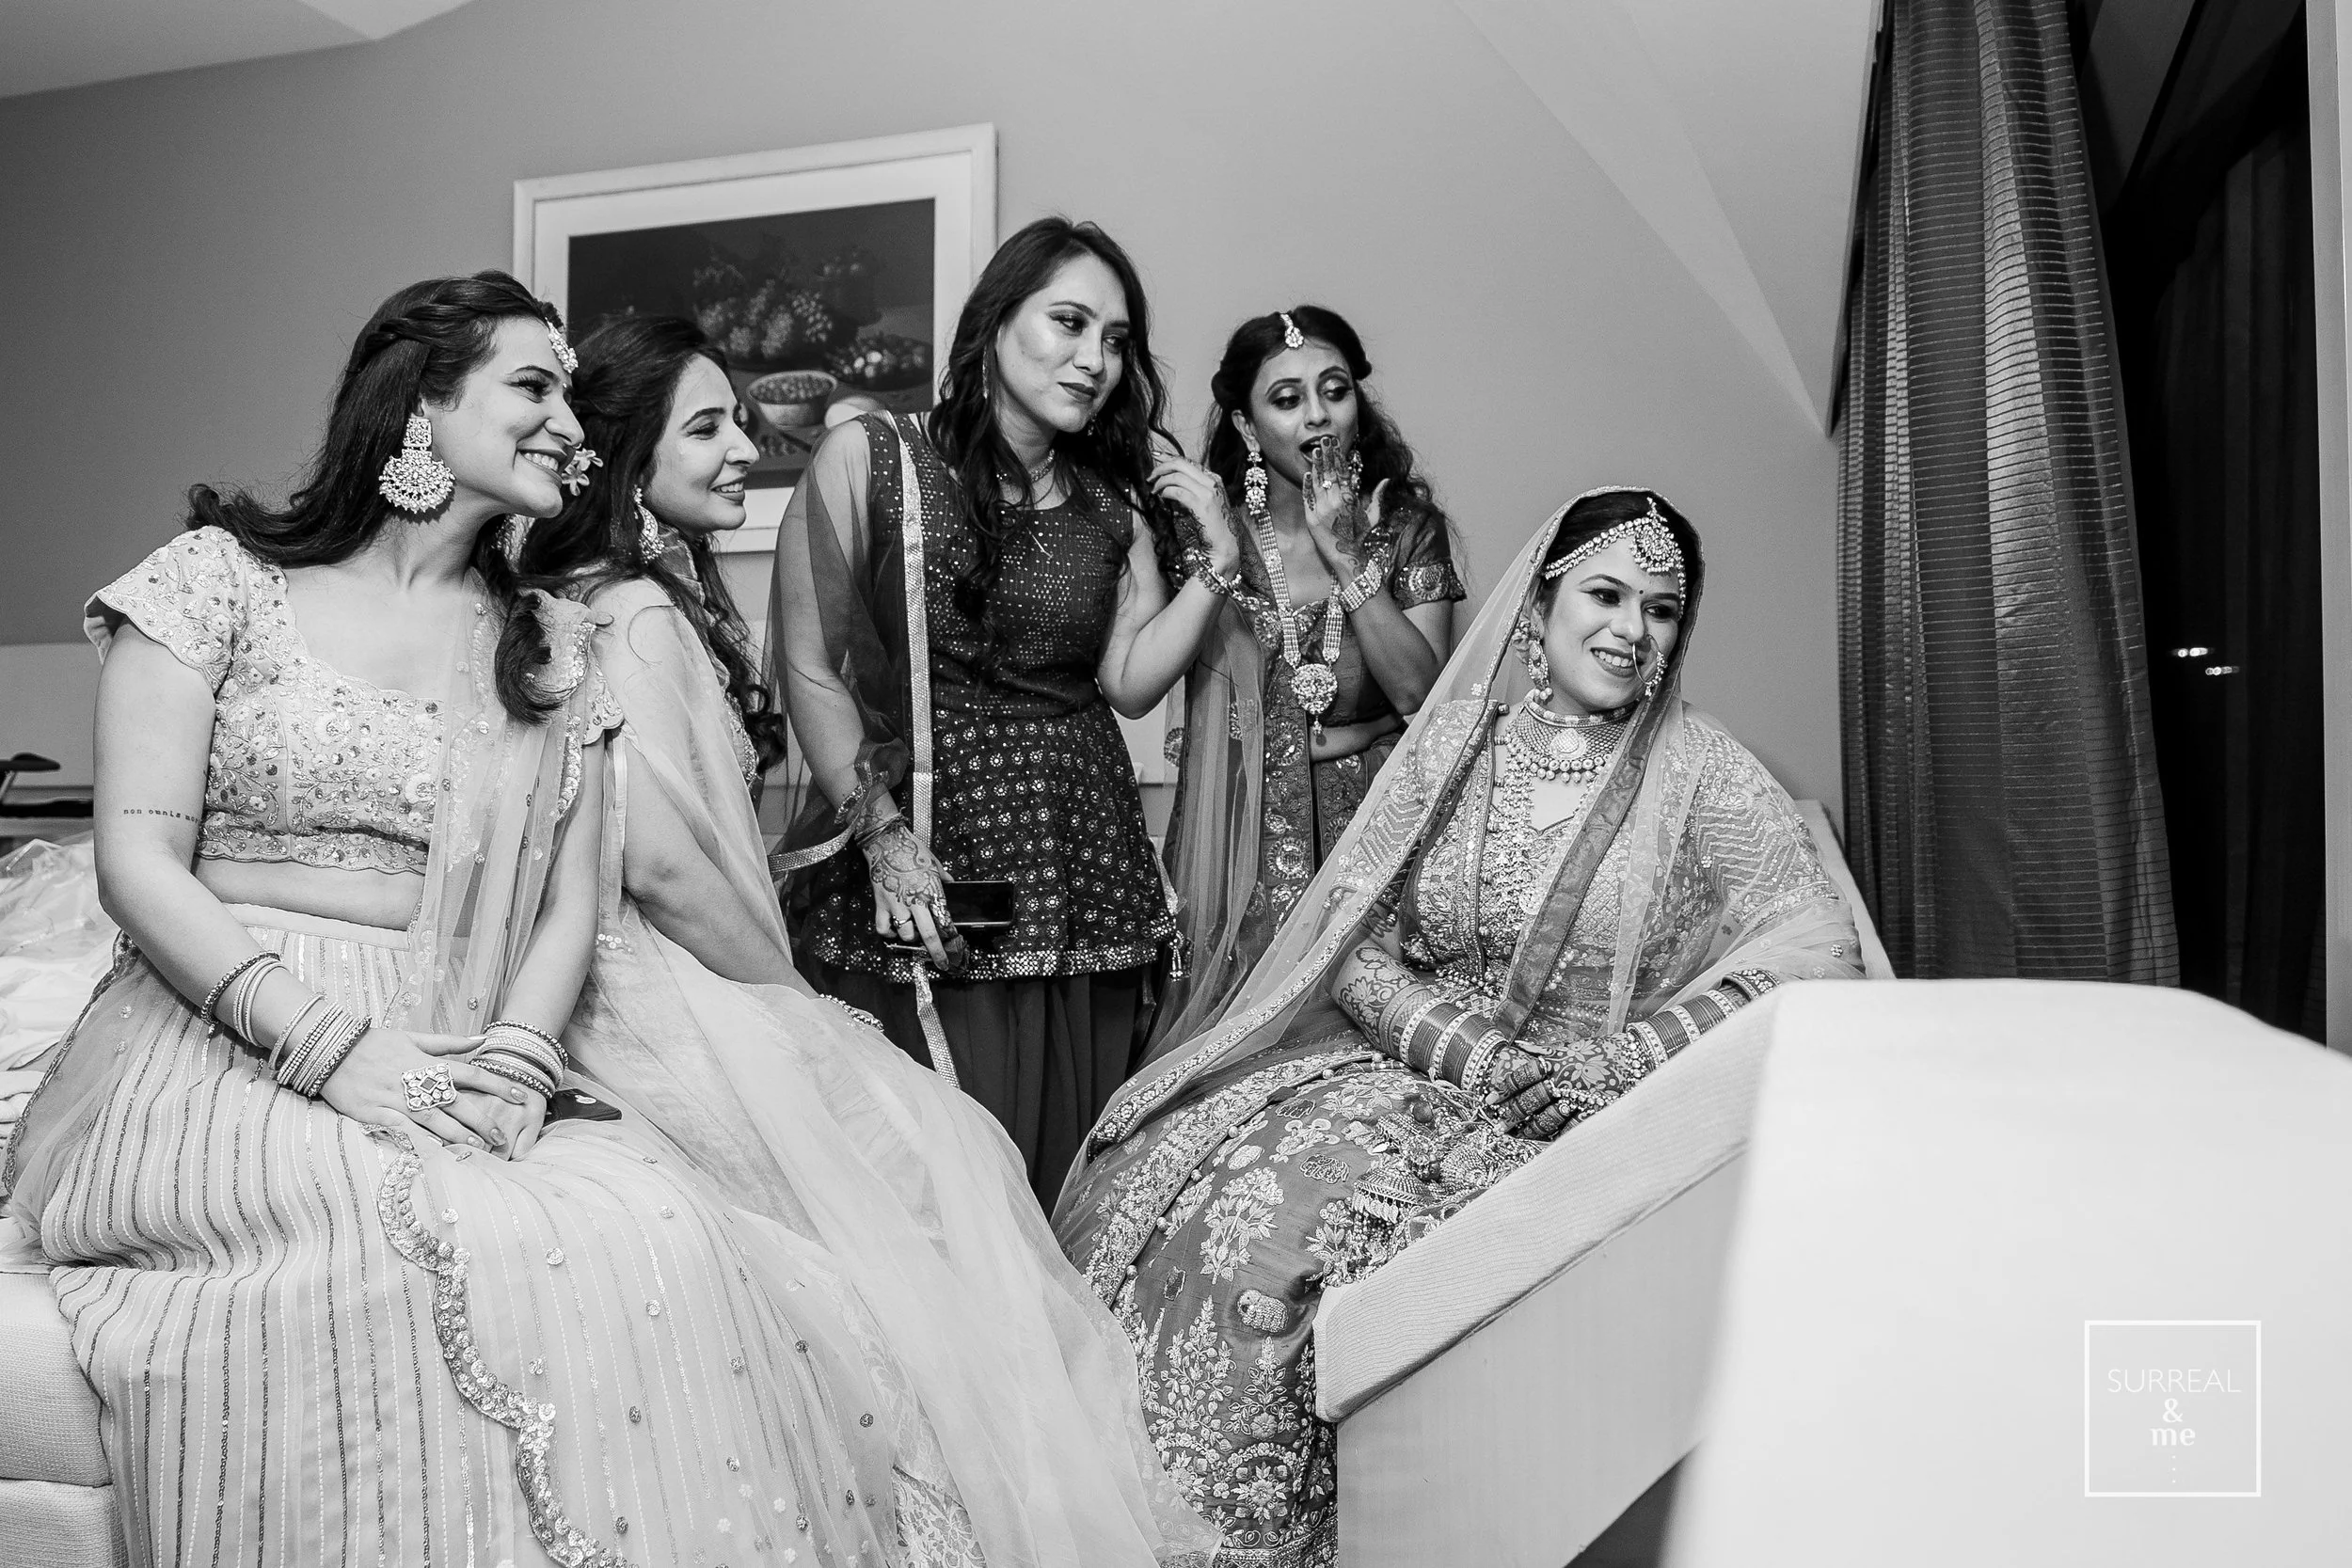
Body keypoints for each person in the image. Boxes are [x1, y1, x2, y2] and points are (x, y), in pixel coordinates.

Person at [3, 273, 958, 1567]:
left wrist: (514, 1060)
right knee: (393, 1242)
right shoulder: (216, 581)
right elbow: (137, 861)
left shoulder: (551, 640)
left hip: (457, 1033)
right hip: (224, 1030)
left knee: (664, 1229)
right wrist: (335, 1049)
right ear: (420, 403)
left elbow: (569, 901)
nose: (573, 425)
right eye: (535, 388)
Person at [1055, 487, 1868, 1565]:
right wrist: (1464, 1048)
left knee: (1303, 1255)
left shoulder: (1705, 771)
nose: (1631, 629)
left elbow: (1815, 945)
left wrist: (1626, 1061)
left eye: (1662, 609)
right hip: (1412, 1062)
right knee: (1197, 1191)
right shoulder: (1453, 748)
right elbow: (1350, 936)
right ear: (1537, 606)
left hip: (1571, 1100)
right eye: (1606, 594)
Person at [520, 313, 1216, 1565]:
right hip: (669, 973)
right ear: (626, 460)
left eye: (740, 420)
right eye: (709, 427)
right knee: (943, 1190)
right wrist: (791, 996)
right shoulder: (637, 617)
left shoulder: (615, 603)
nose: (748, 449)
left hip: (695, 951)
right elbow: (666, 862)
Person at [771, 217, 1242, 1206]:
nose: (1095, 359)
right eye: (1069, 323)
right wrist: (883, 836)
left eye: (1115, 340)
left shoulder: (1109, 503)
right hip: (933, 852)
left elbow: (1129, 681)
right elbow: (811, 666)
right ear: (993, 322)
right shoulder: (873, 456)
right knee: (941, 1167)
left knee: (1068, 1163)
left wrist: (1218, 563)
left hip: (1082, 858)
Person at [1152, 306, 1464, 1050]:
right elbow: (1149, 680)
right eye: (1288, 399)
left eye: (1335, 390)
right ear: (1246, 425)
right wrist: (1214, 557)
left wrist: (1346, 557)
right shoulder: (1209, 534)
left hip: (1375, 837)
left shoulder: (1404, 528)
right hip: (1243, 843)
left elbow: (1420, 695)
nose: (1318, 415)